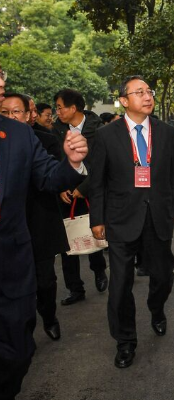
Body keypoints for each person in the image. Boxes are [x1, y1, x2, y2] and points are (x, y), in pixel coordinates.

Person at [0, 67, 88, 400]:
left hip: (12, 265)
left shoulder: (20, 136)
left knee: (18, 353)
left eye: (2, 83)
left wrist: (71, 162)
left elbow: (50, 177)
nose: (1, 88)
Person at [89, 75, 174, 369]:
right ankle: (125, 341)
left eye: (149, 91)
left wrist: (173, 209)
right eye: (139, 92)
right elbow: (98, 181)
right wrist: (97, 218)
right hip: (120, 219)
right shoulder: (106, 136)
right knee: (119, 286)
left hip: (157, 218)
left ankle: (156, 309)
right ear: (124, 100)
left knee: (163, 275)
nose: (147, 96)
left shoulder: (166, 133)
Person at [1, 93, 69, 342]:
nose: (11, 117)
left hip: (40, 219)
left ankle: (49, 318)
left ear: (29, 114)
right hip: (11, 229)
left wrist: (73, 162)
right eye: (5, 112)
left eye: (16, 112)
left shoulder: (44, 140)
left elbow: (52, 175)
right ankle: (22, 332)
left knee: (45, 281)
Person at [52, 89, 108, 306]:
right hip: (65, 193)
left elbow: (102, 165)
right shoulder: (56, 129)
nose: (57, 111)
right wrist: (60, 187)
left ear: (73, 108)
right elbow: (55, 161)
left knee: (91, 233)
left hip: (92, 191)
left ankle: (99, 271)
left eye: (59, 107)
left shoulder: (98, 129)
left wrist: (83, 188)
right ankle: (75, 288)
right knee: (68, 243)